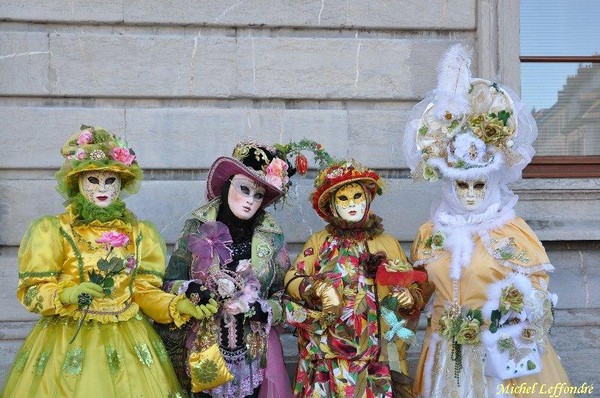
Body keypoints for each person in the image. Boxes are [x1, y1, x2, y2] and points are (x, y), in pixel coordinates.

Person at [403, 45, 573, 397]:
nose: (469, 194)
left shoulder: (511, 232)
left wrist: (517, 303)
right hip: (443, 360)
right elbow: (415, 294)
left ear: (493, 181)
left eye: (478, 183)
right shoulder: (430, 234)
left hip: (500, 362)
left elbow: (539, 294)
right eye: (460, 184)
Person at [1, 125, 214, 397]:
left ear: (121, 183)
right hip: (67, 338)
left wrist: (177, 304)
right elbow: (31, 291)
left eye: (110, 180)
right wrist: (66, 294)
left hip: (127, 338)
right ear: (77, 182)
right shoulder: (55, 230)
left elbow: (143, 291)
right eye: (93, 180)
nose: (102, 188)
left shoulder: (138, 233)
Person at [155, 140, 293, 398]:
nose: (250, 201)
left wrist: (262, 309)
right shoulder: (197, 227)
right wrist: (194, 291)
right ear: (228, 184)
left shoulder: (271, 236)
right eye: (244, 189)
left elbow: (285, 295)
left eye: (259, 194)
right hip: (204, 345)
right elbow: (169, 281)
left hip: (253, 352)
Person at [284, 159, 426, 398]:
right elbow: (292, 278)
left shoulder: (387, 243)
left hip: (376, 356)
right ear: (332, 205)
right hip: (330, 355)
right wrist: (316, 288)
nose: (352, 204)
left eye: (357, 196)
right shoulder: (320, 243)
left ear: (368, 199)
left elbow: (413, 287)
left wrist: (407, 298)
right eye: (343, 198)